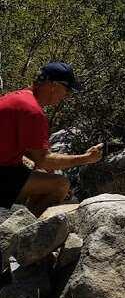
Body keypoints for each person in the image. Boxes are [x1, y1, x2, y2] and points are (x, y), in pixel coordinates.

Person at [0, 62, 102, 216]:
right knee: (61, 184)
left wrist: (41, 167)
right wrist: (86, 158)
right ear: (53, 86)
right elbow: (44, 159)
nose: (66, 96)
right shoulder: (33, 112)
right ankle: (23, 229)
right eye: (67, 90)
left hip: (5, 169)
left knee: (35, 173)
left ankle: (15, 214)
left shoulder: (17, 98)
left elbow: (23, 148)